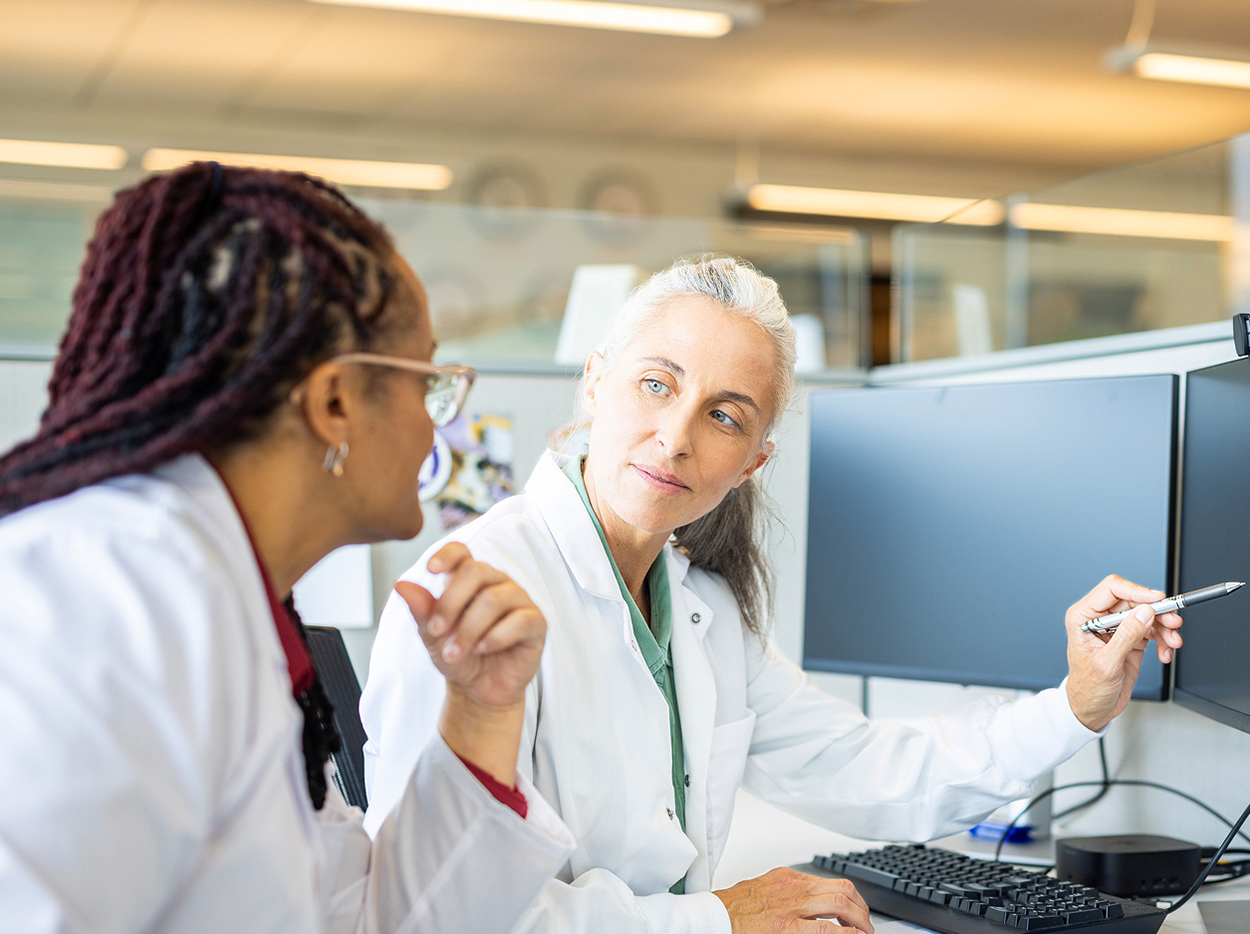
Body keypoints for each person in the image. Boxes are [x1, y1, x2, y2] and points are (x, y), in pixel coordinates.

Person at [360, 256, 1184, 934]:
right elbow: (433, 916)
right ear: (595, 382)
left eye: (724, 416)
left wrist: (1076, 704)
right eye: (656, 384)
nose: (675, 437)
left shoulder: (701, 609)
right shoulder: (473, 593)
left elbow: (868, 769)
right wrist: (721, 918)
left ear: (753, 460)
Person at [0, 163, 574, 934]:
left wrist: (480, 710)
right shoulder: (110, 599)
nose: (435, 425)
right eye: (427, 382)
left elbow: (362, 922)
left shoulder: (235, 607)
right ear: (335, 401)